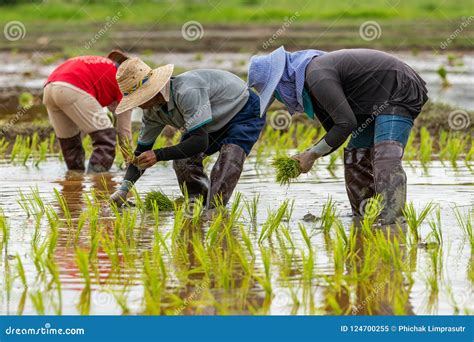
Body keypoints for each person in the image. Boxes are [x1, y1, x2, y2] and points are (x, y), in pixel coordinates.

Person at [248, 47, 428, 224]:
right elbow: (337, 131)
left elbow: (345, 124)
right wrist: (308, 155)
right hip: (370, 103)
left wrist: (311, 154)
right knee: (355, 155)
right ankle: (364, 218)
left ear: (283, 81)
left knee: (385, 157)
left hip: (398, 87)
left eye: (276, 92)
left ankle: (394, 223)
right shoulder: (311, 82)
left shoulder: (316, 75)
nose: (280, 98)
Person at [110, 57, 265, 208]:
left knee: (228, 162)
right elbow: (140, 153)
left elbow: (200, 142)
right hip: (211, 120)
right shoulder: (152, 112)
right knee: (183, 162)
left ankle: (214, 211)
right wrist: (123, 190)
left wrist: (158, 155)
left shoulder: (186, 91)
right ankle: (197, 204)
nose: (137, 105)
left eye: (138, 99)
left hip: (243, 109)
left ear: (152, 91)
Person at [43, 50, 132, 173]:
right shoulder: (125, 82)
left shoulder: (102, 67)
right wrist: (131, 164)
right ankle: (99, 183)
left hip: (49, 88)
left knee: (70, 143)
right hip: (72, 88)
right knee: (106, 136)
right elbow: (124, 131)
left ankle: (74, 181)